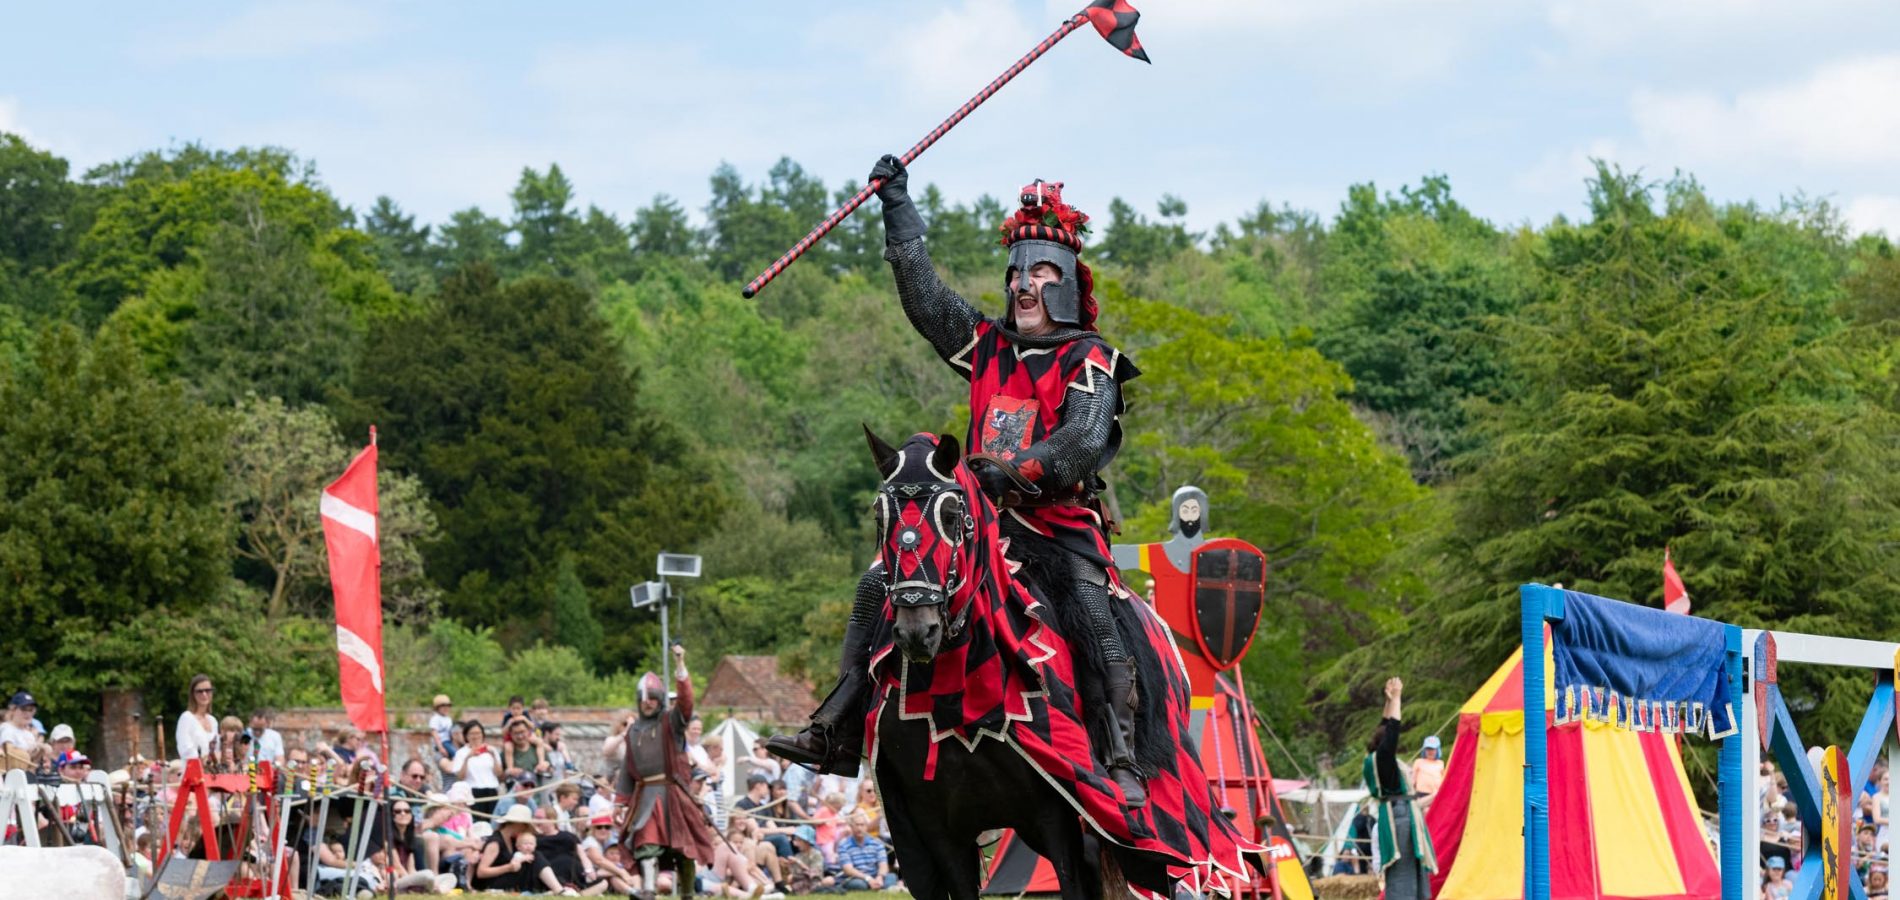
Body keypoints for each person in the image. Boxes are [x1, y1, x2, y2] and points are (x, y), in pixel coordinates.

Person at [769, 155, 1148, 807]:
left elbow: (1083, 441)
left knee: (1090, 605)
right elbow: (926, 300)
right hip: (979, 528)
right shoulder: (988, 347)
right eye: (1020, 272)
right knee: (878, 580)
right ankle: (839, 724)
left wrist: (1016, 470)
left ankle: (1120, 753)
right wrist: (897, 207)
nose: (1026, 285)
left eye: (1043, 273)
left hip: (1056, 528)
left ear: (1065, 284)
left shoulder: (1090, 358)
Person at [619, 644, 720, 893]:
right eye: (644, 699)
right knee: (645, 843)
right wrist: (619, 802)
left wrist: (680, 666)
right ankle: (649, 892)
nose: (648, 703)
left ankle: (687, 895)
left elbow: (686, 703)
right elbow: (626, 769)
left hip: (675, 794)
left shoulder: (670, 722)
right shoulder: (633, 731)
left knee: (684, 850)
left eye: (653, 698)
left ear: (660, 699)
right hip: (645, 797)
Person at [1365, 677, 1437, 899]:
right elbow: (1392, 729)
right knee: (1403, 876)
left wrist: (1388, 702)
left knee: (1413, 875)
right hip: (1401, 820)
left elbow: (1385, 727)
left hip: (1403, 814)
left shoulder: (1375, 759)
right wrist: (1397, 697)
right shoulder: (1383, 759)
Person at [472, 805, 572, 894]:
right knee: (536, 857)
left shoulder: (511, 839)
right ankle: (558, 890)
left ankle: (558, 888)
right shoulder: (495, 842)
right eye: (525, 826)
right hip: (493, 883)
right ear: (518, 824)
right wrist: (509, 867)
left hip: (507, 878)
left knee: (533, 856)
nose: (525, 830)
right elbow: (481, 872)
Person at [448, 720, 504, 817]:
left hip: (491, 791)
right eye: (472, 734)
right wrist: (467, 758)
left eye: (478, 733)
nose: (475, 736)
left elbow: (499, 773)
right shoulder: (461, 753)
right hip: (472, 792)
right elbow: (460, 777)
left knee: (492, 821)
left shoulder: (491, 750)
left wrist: (493, 756)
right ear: (466, 736)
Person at [834, 813, 897, 891]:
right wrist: (868, 878)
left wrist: (880, 877)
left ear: (866, 827)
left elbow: (883, 864)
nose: (859, 828)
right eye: (856, 825)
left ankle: (878, 885)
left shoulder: (877, 843)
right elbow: (848, 869)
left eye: (862, 825)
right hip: (856, 877)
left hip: (875, 875)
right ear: (851, 827)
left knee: (892, 877)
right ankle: (879, 887)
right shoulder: (844, 845)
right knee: (859, 885)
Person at [175, 675, 218, 762]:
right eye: (200, 691)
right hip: (192, 771)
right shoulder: (186, 718)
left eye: (208, 690)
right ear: (193, 694)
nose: (204, 694)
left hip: (212, 772)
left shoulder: (213, 721)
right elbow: (185, 749)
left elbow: (216, 749)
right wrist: (204, 759)